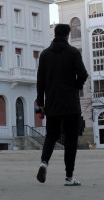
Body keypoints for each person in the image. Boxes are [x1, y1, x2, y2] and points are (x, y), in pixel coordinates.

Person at [35, 24, 89, 186]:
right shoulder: (73, 52)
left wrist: (41, 103)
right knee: (71, 140)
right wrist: (76, 86)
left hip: (52, 103)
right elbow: (83, 74)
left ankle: (44, 162)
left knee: (51, 135)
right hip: (71, 103)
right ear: (68, 35)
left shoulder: (44, 55)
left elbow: (40, 82)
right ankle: (69, 177)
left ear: (55, 34)